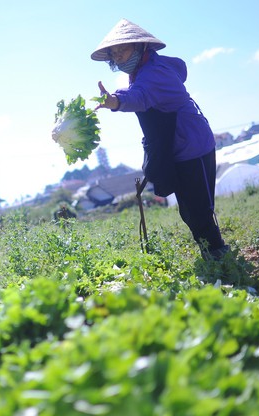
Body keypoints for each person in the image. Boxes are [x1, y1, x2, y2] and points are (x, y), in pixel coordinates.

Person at [91, 18, 229, 260]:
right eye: (115, 53)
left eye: (123, 49)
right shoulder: (143, 72)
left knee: (197, 208)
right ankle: (212, 251)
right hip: (183, 145)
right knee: (190, 208)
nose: (119, 57)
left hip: (191, 145)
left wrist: (115, 101)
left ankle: (218, 256)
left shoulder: (154, 73)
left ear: (141, 47)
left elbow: (140, 96)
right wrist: (117, 98)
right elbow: (138, 91)